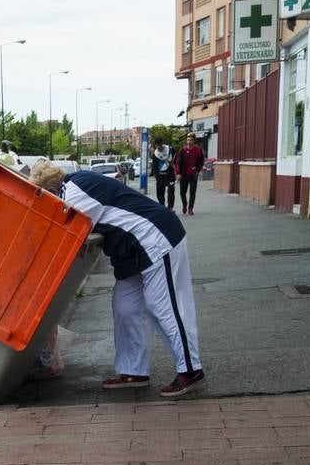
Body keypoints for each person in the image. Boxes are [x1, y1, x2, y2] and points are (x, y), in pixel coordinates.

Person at [29, 160, 205, 398]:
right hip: (133, 251)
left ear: (48, 190)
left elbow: (70, 233)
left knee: (165, 307)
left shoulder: (73, 191)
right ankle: (134, 371)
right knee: (126, 307)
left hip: (155, 239)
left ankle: (190, 370)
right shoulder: (76, 184)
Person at [174, 132, 204, 215]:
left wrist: (198, 170)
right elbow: (178, 163)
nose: (189, 142)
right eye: (188, 140)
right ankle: (184, 204)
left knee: (192, 192)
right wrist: (178, 173)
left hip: (193, 174)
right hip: (183, 174)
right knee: (182, 192)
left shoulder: (198, 150)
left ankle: (190, 208)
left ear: (194, 141)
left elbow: (201, 161)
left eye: (191, 140)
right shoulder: (182, 150)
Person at [151, 137, 176, 211]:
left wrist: (176, 169)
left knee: (171, 190)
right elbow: (155, 167)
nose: (159, 147)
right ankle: (163, 208)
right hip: (160, 175)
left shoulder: (171, 149)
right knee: (160, 193)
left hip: (170, 174)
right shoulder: (155, 154)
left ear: (162, 143)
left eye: (160, 145)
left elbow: (177, 160)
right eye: (157, 146)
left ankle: (170, 208)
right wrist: (156, 176)